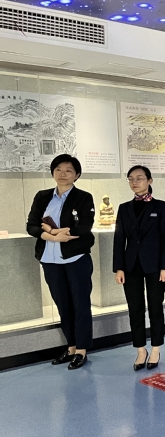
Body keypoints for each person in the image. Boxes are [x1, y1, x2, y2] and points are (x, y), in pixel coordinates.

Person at [26, 154, 95, 370]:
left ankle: (81, 350)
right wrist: (52, 236)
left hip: (76, 258)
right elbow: (31, 225)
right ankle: (71, 347)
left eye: (68, 170)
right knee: (63, 305)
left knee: (80, 304)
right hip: (50, 259)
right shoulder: (42, 196)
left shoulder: (83, 197)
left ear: (77, 175)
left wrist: (53, 231)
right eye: (58, 169)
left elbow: (84, 227)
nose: (63, 174)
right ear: (52, 172)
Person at [113, 165, 165, 371]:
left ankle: (155, 349)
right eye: (131, 178)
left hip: (155, 266)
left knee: (155, 307)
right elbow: (119, 239)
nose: (135, 182)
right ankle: (140, 350)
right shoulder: (124, 208)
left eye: (139, 178)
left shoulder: (161, 207)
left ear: (149, 180)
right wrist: (119, 268)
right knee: (135, 309)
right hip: (130, 266)